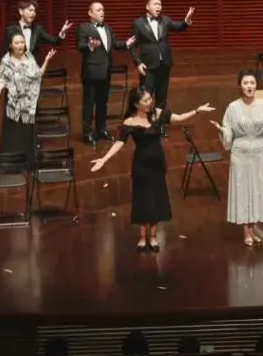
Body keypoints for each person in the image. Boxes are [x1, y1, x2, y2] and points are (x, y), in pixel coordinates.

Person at [90, 88, 214, 252]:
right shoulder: (130, 122)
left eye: (150, 99)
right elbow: (119, 143)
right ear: (136, 104)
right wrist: (104, 159)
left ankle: (153, 237)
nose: (150, 102)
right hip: (141, 165)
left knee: (156, 197)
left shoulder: (158, 114)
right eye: (146, 100)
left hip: (157, 162)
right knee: (142, 199)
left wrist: (197, 110)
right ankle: (142, 237)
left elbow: (179, 118)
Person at [208, 70, 263, 247]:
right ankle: (246, 230)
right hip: (240, 154)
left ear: (256, 85)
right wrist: (222, 130)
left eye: (252, 83)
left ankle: (253, 229)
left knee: (257, 190)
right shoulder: (232, 107)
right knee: (243, 191)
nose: (249, 86)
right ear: (240, 85)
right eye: (245, 83)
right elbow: (228, 133)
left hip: (258, 153)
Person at [0, 33, 57, 167]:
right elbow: (2, 79)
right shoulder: (6, 60)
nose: (20, 45)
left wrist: (47, 60)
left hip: (28, 104)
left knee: (26, 134)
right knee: (13, 134)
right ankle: (12, 163)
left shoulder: (29, 56)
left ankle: (28, 162)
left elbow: (38, 74)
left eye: (22, 42)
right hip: (13, 104)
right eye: (16, 43)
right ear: (10, 45)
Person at [77, 2, 135, 145]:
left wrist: (126, 44)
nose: (102, 12)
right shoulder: (84, 27)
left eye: (103, 9)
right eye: (98, 10)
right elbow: (80, 45)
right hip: (91, 73)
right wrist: (89, 46)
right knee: (89, 104)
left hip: (106, 72)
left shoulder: (108, 28)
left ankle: (101, 130)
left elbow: (114, 44)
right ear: (90, 13)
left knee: (102, 104)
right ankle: (87, 134)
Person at [130, 0, 195, 110]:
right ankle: (145, 120)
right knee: (145, 96)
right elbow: (132, 45)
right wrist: (138, 63)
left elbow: (179, 27)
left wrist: (186, 20)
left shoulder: (165, 20)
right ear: (147, 7)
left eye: (160, 4)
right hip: (148, 66)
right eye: (155, 4)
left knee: (162, 97)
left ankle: (160, 121)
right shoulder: (138, 23)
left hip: (164, 65)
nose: (158, 7)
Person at [4, 0, 72, 58]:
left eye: (35, 11)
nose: (33, 13)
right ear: (21, 11)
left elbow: (55, 42)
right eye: (30, 10)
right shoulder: (10, 29)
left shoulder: (38, 29)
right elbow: (5, 52)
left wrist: (62, 33)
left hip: (34, 67)